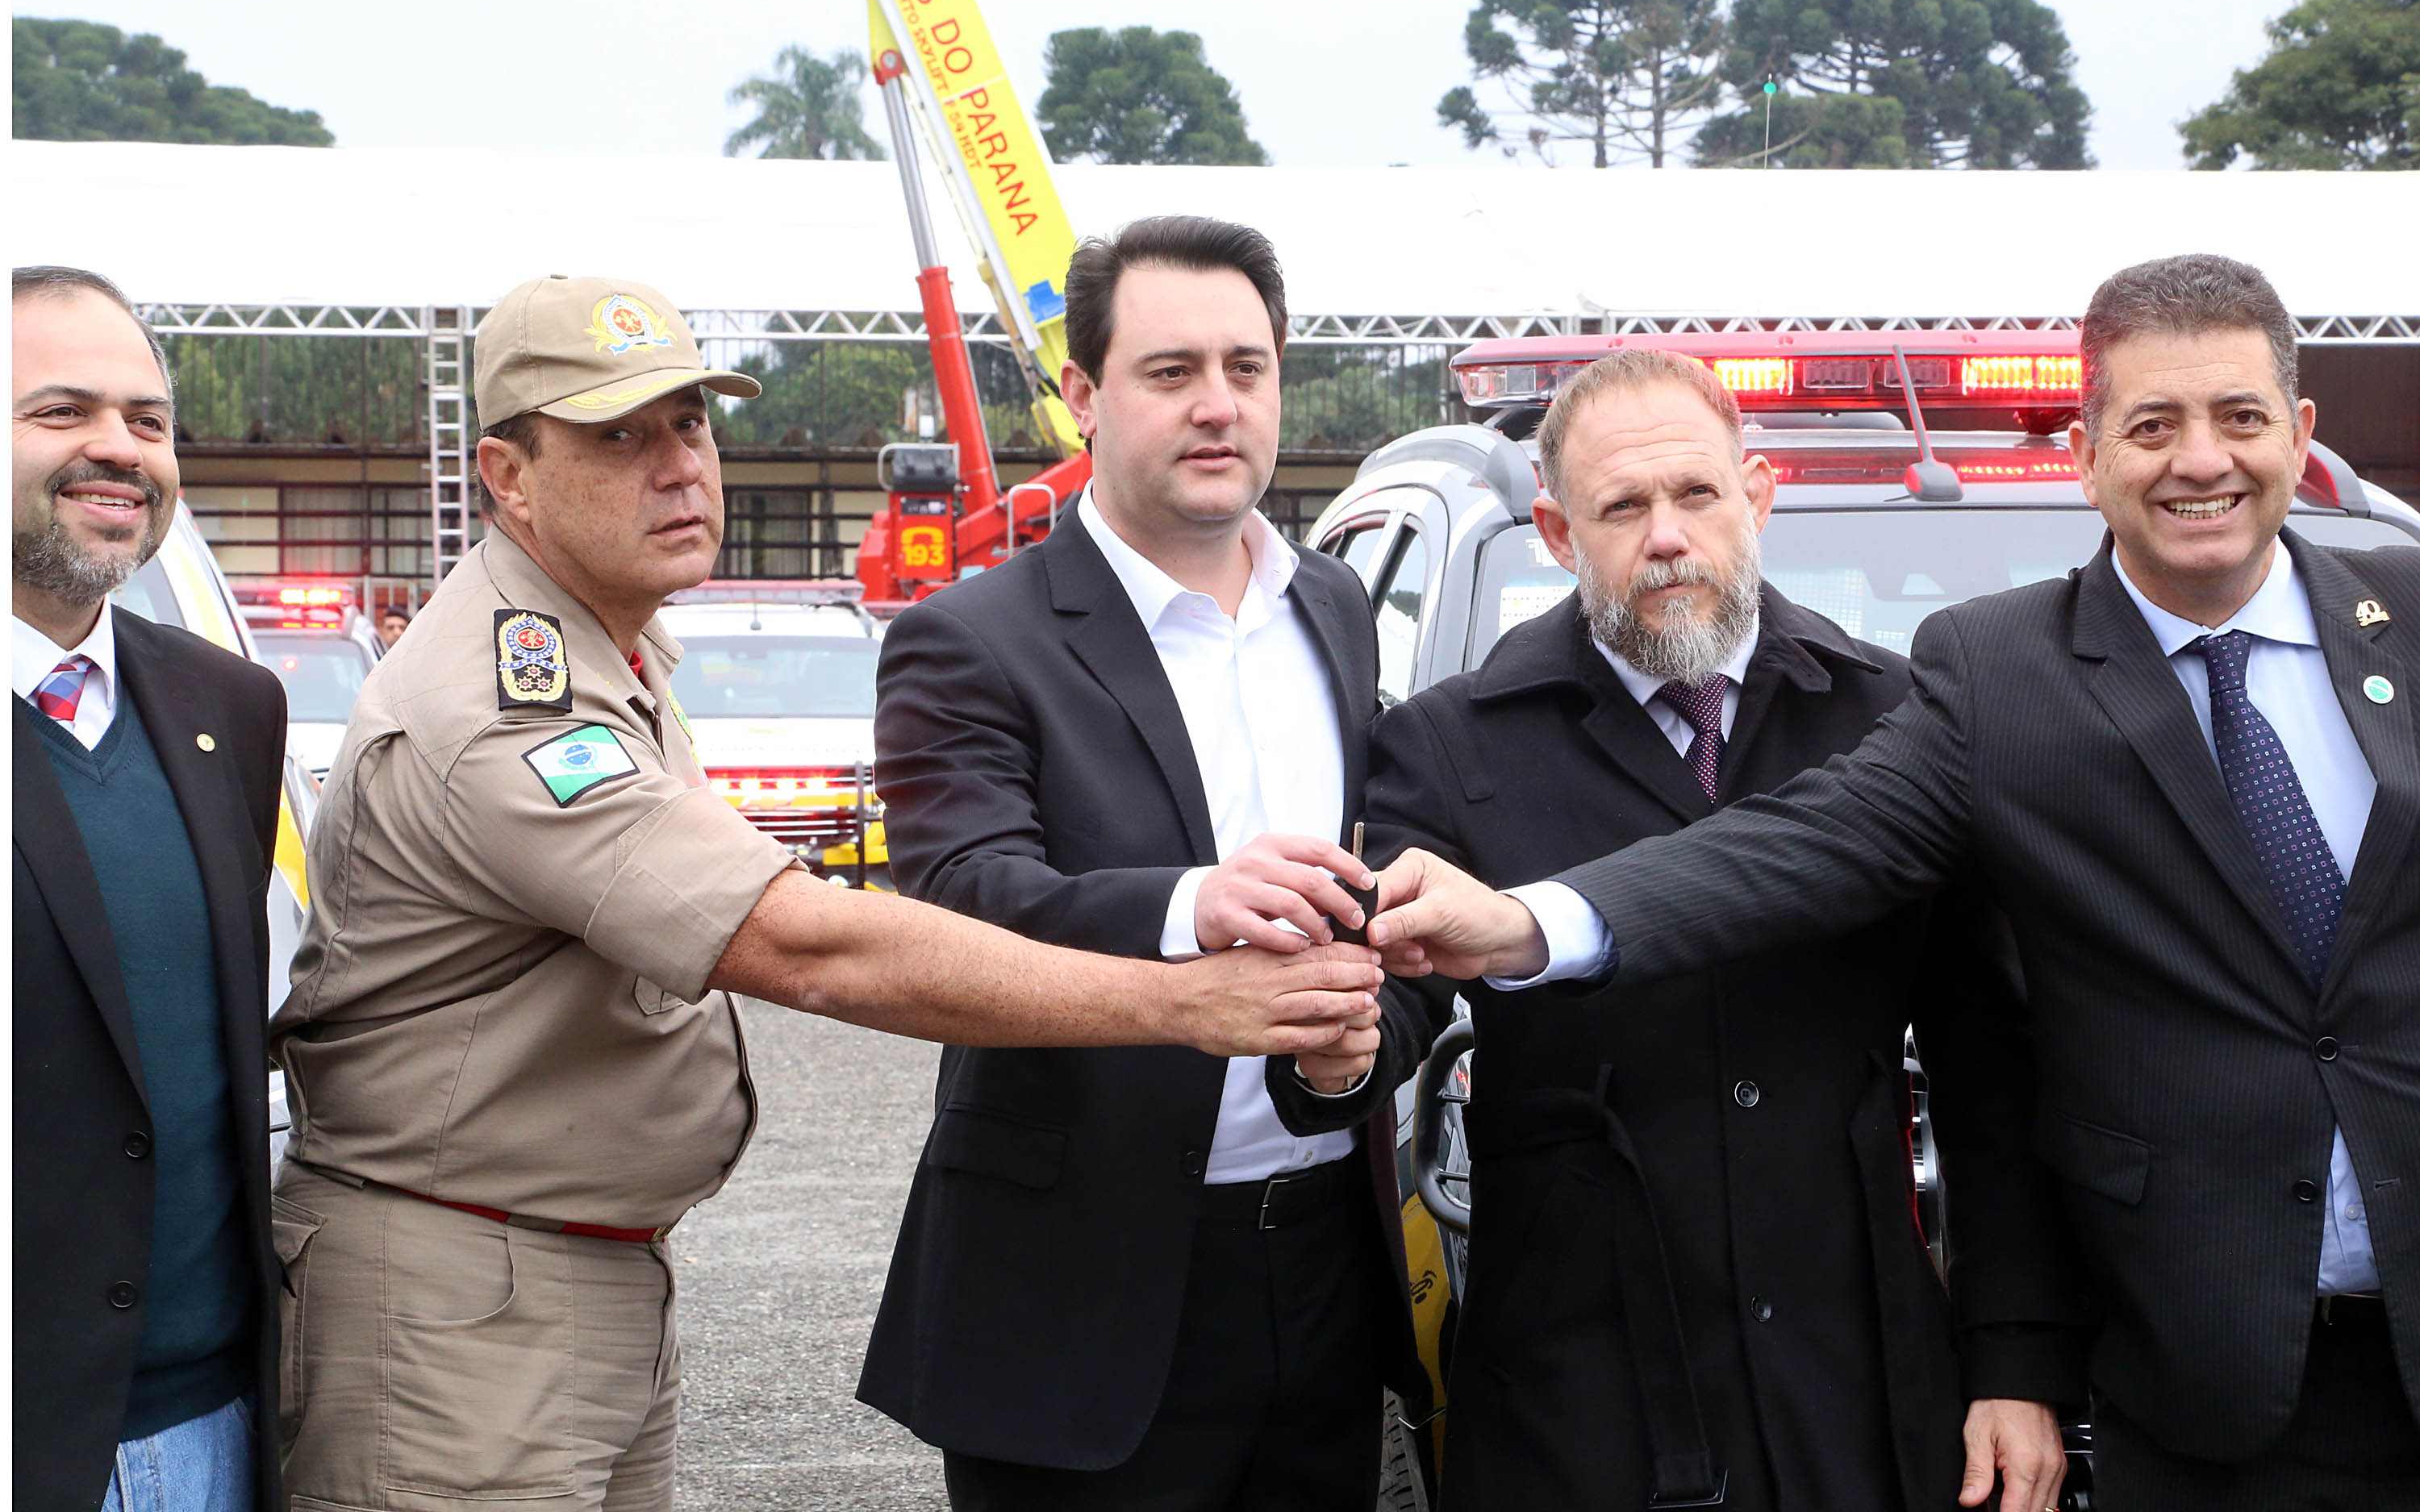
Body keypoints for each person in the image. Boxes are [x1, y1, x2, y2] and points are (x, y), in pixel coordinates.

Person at [268, 273, 1380, 1512]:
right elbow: (808, 947)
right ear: (507, 476)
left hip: (557, 1274)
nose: (678, 466)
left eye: (690, 424)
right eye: (618, 437)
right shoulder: (504, 706)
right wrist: (1188, 1004)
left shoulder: (610, 651)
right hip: (460, 1295)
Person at [1369, 254, 2420, 1510]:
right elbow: (1808, 846)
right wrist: (1505, 935)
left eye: (2240, 418)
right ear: (2091, 456)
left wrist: (2008, 1356)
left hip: (1899, 1372)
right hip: (1619, 1382)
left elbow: (1991, 1061)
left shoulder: (2401, 619)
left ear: (2300, 439)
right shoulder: (1993, 681)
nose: (2201, 460)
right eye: (2151, 426)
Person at [1286, 348, 2087, 1512]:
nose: (1668, 536)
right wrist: (1337, 1048)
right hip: (1580, 1387)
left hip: (1860, 1376)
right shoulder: (1453, 744)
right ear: (1561, 536)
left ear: (1755, 497)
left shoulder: (1896, 717)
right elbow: (1396, 995)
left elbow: (1989, 1073)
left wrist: (2014, 1356)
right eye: (1623, 508)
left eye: (1698, 495)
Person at [859, 216, 1422, 1510]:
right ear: (1081, 397)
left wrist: (1356, 1045)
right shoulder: (969, 639)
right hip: (1079, 1292)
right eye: (1170, 373)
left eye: (1247, 367)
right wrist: (1192, 905)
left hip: (1323, 1265)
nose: (1217, 406)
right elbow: (958, 897)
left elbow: (1369, 883)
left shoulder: (1333, 609)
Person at [14, 265, 290, 1512]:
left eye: (148, 420)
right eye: (61, 412)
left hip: (219, 1426)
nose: (118, 449)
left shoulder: (229, 708)